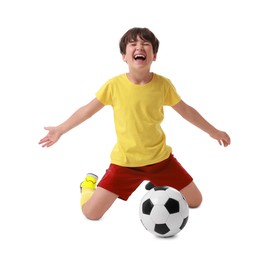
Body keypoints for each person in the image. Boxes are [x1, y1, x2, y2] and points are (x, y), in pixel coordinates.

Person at [39, 27, 231, 221]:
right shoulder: (113, 85)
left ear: (154, 55)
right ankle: (88, 186)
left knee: (195, 201)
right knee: (91, 213)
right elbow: (87, 111)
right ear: (124, 56)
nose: (140, 47)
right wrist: (60, 129)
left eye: (145, 44)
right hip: (125, 163)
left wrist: (213, 132)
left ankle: (156, 181)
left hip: (160, 161)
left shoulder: (163, 85)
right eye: (133, 44)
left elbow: (187, 111)